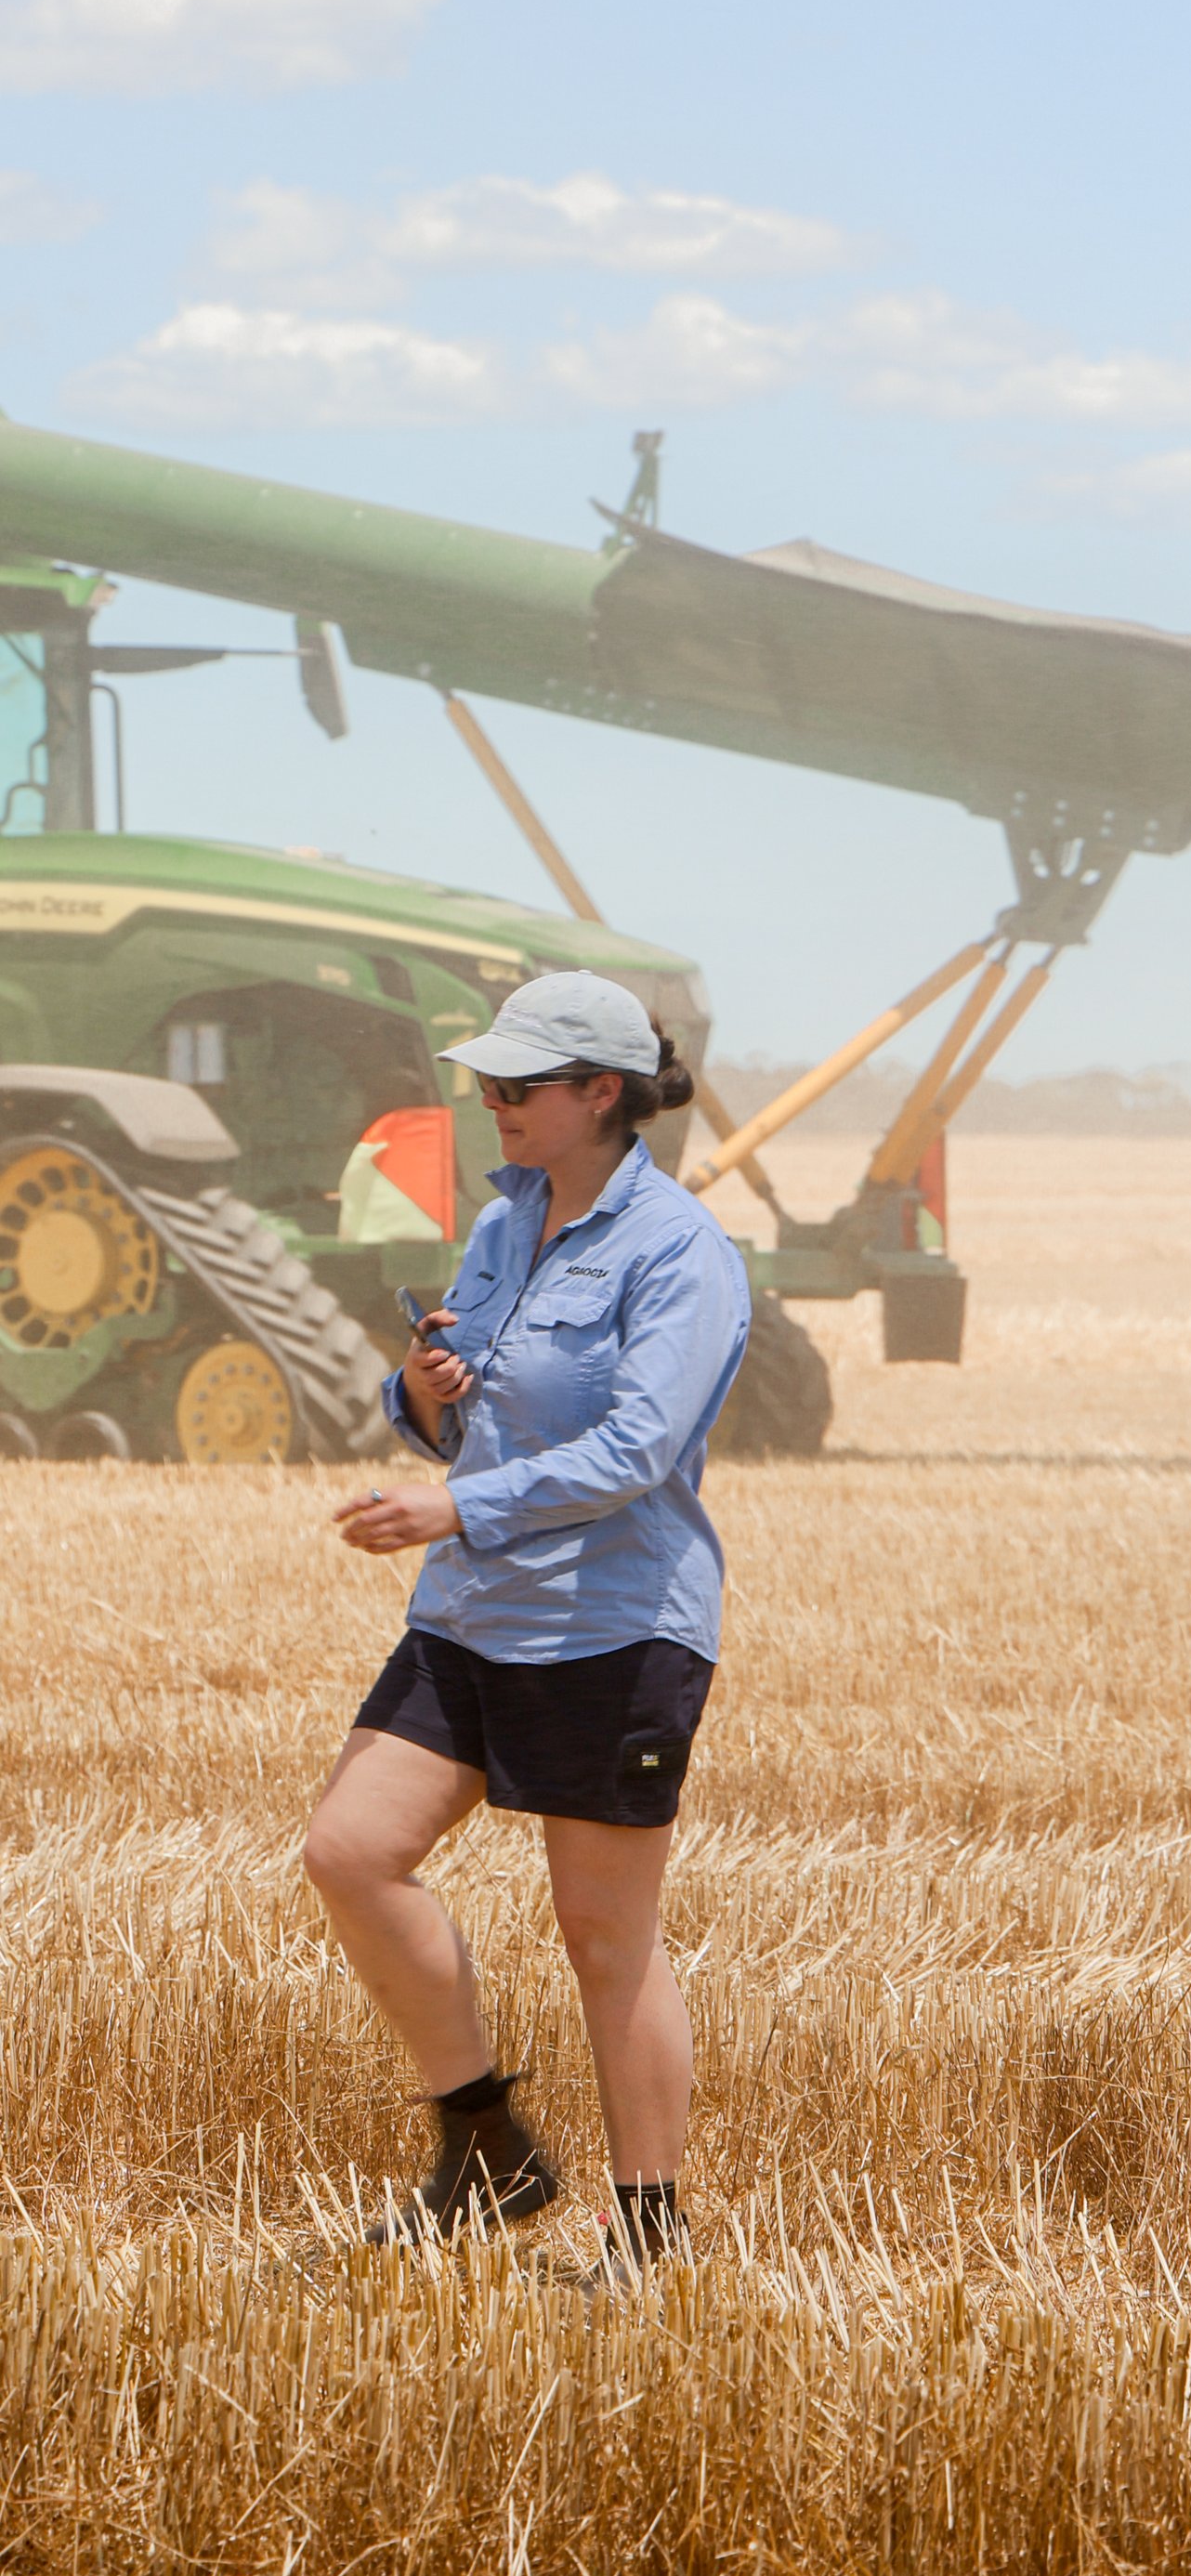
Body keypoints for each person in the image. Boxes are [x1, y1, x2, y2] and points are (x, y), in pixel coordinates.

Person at [303, 969, 751, 2280]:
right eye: (488, 1079)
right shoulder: (505, 1224)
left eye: (518, 1083)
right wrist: (425, 1390)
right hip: (472, 1613)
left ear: (600, 1093)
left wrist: (456, 1503)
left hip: (613, 1626)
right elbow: (453, 1395)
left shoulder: (680, 1250)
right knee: (348, 1850)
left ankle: (650, 2230)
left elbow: (637, 1447)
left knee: (605, 1936)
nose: (490, 1100)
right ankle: (488, 2147)